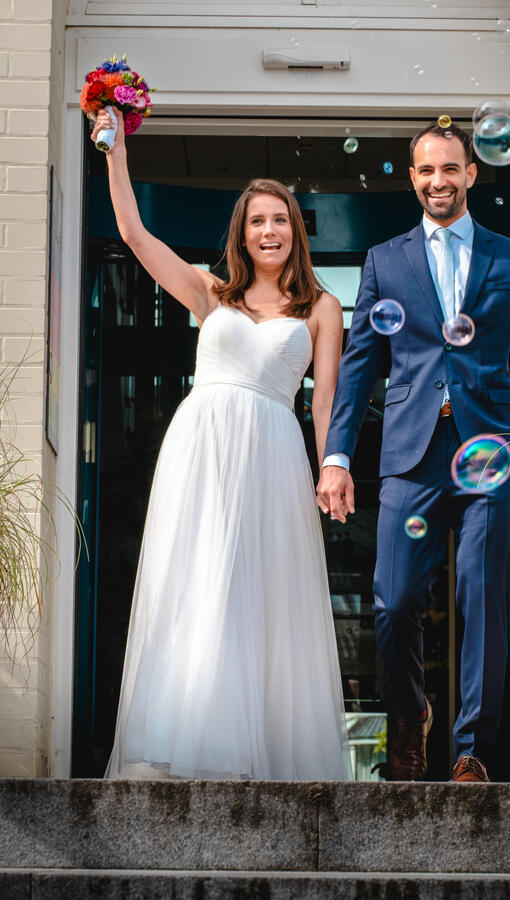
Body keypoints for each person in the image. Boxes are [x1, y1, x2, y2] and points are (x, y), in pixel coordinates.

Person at [317, 120, 510, 783]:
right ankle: (410, 726)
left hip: (486, 449)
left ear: (471, 174)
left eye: (449, 169)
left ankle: (472, 748)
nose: (437, 181)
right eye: (424, 171)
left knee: (481, 593)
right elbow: (358, 369)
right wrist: (335, 456)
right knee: (391, 602)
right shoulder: (385, 260)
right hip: (409, 455)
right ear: (411, 179)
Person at [92, 108, 352, 781]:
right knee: (198, 580)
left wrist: (332, 465)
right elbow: (133, 234)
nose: (268, 230)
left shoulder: (320, 307)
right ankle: (190, 738)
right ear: (241, 234)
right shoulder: (212, 294)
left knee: (257, 592)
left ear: (295, 232)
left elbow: (324, 399)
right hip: (201, 448)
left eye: (279, 220)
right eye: (256, 221)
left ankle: (253, 748)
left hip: (272, 449)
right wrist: (115, 152)